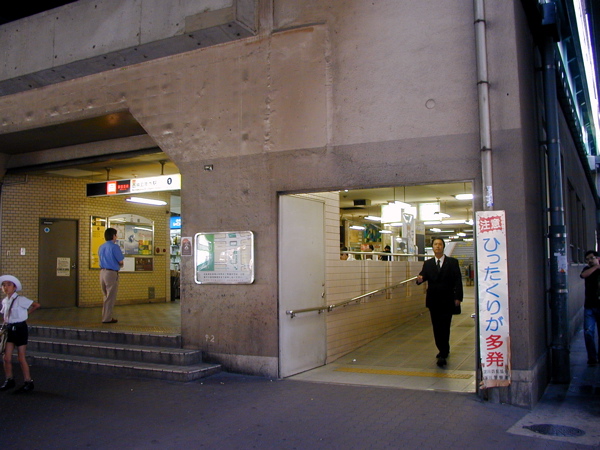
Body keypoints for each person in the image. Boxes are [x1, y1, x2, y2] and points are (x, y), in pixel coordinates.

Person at [416, 238, 463, 367]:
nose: (438, 246)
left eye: (440, 244)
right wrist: (419, 279)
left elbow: (458, 280)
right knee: (436, 327)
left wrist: (458, 297)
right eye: (435, 244)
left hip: (448, 299)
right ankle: (442, 348)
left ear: (443, 247)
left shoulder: (452, 262)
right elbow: (423, 276)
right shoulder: (428, 263)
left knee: (445, 326)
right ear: (432, 247)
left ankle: (443, 352)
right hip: (434, 300)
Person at [0, 275, 41, 392]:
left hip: (20, 328)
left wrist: (26, 314)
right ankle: (9, 379)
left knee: (21, 357)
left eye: (9, 285)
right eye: (4, 285)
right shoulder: (4, 301)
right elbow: (5, 315)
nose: (6, 287)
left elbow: (36, 305)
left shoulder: (20, 299)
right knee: (6, 357)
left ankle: (28, 381)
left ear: (14, 287)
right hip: (9, 328)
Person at [98, 227, 124, 324]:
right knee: (111, 297)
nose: (116, 237)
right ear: (113, 236)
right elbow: (120, 261)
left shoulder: (101, 247)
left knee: (105, 296)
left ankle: (105, 316)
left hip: (102, 272)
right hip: (111, 273)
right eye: (116, 235)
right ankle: (107, 318)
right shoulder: (114, 247)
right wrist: (120, 265)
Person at [580, 250, 600, 365]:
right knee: (588, 332)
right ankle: (592, 358)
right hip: (589, 306)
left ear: (597, 258)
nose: (590, 261)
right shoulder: (587, 269)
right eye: (587, 259)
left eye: (592, 258)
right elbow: (583, 275)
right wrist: (596, 267)